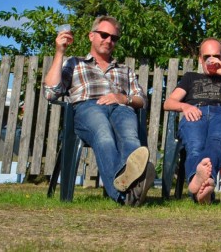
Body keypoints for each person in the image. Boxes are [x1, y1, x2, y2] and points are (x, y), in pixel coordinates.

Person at [44, 15, 155, 206]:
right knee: (103, 134)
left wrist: (124, 98)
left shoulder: (124, 70)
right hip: (88, 108)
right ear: (91, 36)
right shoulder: (74, 63)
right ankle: (125, 195)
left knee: (130, 137)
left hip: (121, 108)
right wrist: (59, 52)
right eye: (104, 35)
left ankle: (129, 192)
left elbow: (141, 99)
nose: (109, 40)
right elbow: (51, 92)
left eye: (114, 38)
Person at [163, 37, 221, 204]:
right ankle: (205, 187)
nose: (212, 60)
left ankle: (199, 186)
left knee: (217, 140)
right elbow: (168, 103)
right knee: (195, 144)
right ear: (200, 59)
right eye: (207, 57)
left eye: (217, 56)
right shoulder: (190, 78)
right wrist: (185, 107)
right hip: (195, 112)